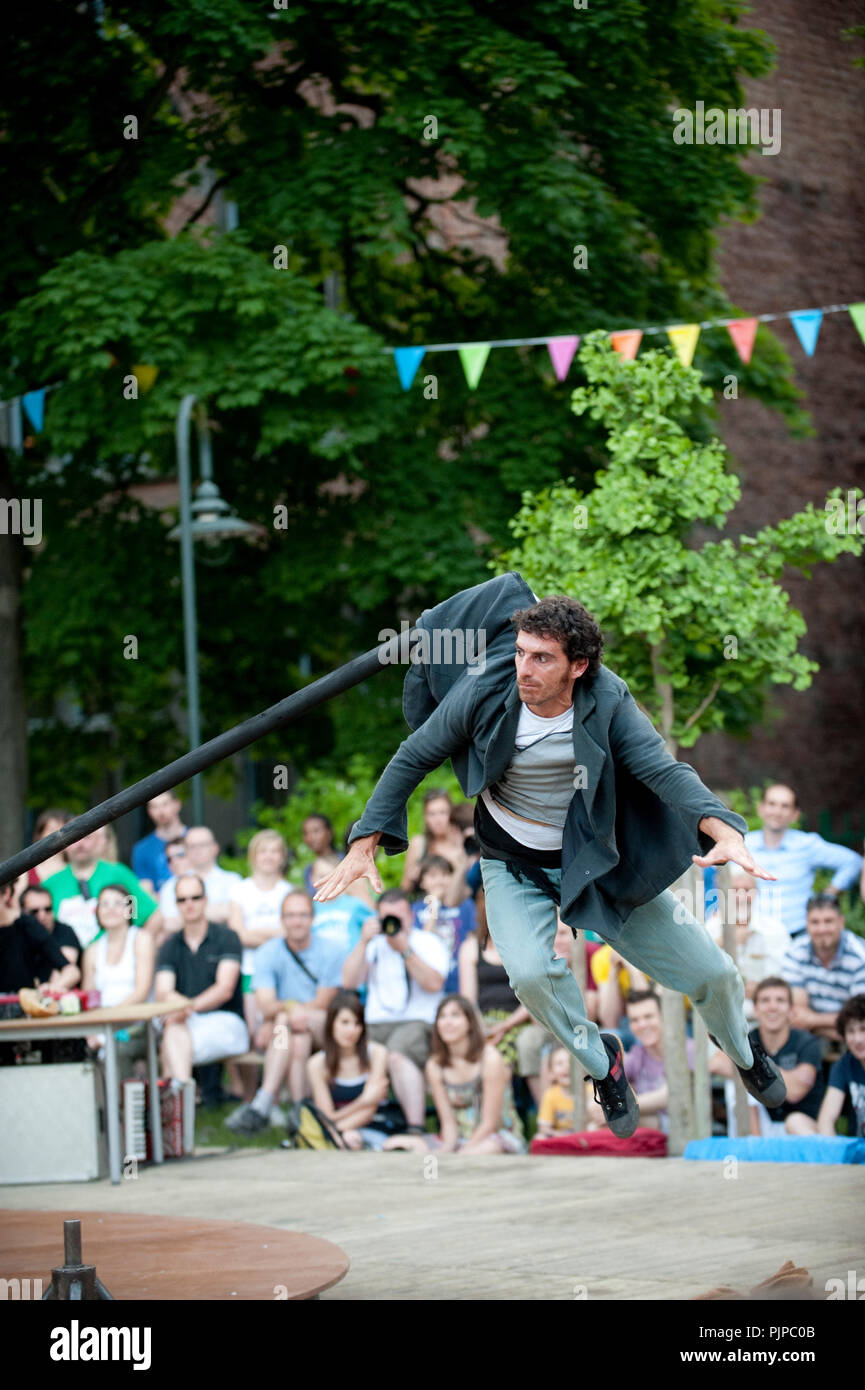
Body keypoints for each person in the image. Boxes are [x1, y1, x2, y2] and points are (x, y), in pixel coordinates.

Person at [315, 576, 786, 1137]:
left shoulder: (608, 700)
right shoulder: (488, 686)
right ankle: (601, 1063)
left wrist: (722, 827)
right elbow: (414, 755)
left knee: (713, 973)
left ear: (578, 666)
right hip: (511, 861)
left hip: (593, 862)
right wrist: (366, 837)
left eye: (541, 659)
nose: (524, 669)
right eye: (519, 653)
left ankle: (743, 1052)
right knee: (532, 974)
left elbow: (665, 772)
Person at [225, 891, 344, 1134]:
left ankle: (262, 1104)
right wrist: (284, 1013)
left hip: (323, 1026)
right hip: (292, 1032)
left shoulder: (331, 950)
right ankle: (300, 1112)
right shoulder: (268, 952)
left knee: (284, 1020)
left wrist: (281, 1014)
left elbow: (322, 1002)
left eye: (302, 915)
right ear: (282, 920)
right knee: (297, 1041)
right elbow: (265, 1004)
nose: (296, 921)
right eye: (290, 915)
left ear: (312, 919)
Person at [342, 889, 449, 1133]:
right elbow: (349, 982)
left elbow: (434, 984)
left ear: (410, 916)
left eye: (398, 918)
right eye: (386, 918)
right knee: (348, 1049)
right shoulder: (375, 945)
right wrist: (362, 942)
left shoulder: (427, 942)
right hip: (376, 1024)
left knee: (396, 1054)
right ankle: (357, 1125)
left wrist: (405, 950)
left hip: (419, 1023)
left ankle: (415, 1127)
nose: (392, 924)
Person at [383, 995, 526, 1153]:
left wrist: (461, 1155)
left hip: (495, 1137)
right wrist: (446, 1151)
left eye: (455, 1015)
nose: (447, 1022)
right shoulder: (435, 1065)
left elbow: (489, 1123)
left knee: (486, 1149)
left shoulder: (490, 1058)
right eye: (442, 1017)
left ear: (469, 1022)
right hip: (459, 1140)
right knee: (393, 1143)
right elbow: (448, 1123)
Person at [154, 874, 248, 1082]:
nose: (189, 904)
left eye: (195, 897)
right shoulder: (169, 945)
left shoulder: (227, 937)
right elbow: (163, 990)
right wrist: (184, 1010)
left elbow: (225, 989)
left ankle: (178, 1101)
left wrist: (187, 1007)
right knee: (173, 1033)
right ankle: (182, 1094)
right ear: (176, 904)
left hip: (226, 1020)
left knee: (172, 1038)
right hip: (184, 1021)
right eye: (182, 899)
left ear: (206, 900)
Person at [744, 784, 862, 939]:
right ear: (761, 809)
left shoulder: (806, 845)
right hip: (754, 935)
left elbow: (852, 862)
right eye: (772, 804)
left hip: (798, 933)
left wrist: (828, 894)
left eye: (785, 806)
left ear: (795, 814)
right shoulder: (744, 844)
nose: (777, 811)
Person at [711, 977, 825, 1137]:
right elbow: (716, 1063)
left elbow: (796, 1091)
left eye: (780, 1000)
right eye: (765, 1000)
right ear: (756, 1009)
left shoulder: (806, 1042)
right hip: (763, 1126)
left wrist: (755, 1068)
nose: (773, 1007)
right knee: (736, 1083)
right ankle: (753, 1150)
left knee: (745, 1071)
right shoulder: (749, 1038)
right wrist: (763, 1072)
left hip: (798, 1130)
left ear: (791, 1010)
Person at [42, 828, 162, 949]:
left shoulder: (118, 875)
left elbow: (150, 914)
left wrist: (134, 948)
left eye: (86, 838)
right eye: (73, 839)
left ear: (97, 841)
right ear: (65, 844)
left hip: (111, 961)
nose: (80, 844)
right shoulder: (50, 884)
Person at [306, 990, 392, 1150]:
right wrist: (363, 1101)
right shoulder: (316, 1064)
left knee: (350, 1139)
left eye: (357, 1023)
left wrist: (332, 1131)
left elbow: (369, 1110)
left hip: (374, 1127)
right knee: (349, 1138)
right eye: (344, 1022)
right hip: (340, 1132)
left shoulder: (377, 1053)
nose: (352, 1030)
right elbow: (327, 1115)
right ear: (331, 1024)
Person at [81, 884, 156, 1066]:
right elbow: (89, 999)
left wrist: (108, 1019)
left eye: (117, 903)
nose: (110, 909)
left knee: (116, 1051)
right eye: (104, 904)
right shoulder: (92, 950)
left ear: (130, 909)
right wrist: (92, 1032)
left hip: (137, 1025)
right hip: (101, 1025)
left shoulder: (141, 939)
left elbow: (141, 993)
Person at [704, 869, 788, 1021]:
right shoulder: (711, 928)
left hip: (765, 1020)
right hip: (720, 1018)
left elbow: (783, 978)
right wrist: (727, 941)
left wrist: (761, 990)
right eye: (735, 891)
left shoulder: (775, 930)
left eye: (747, 890)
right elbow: (700, 972)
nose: (742, 898)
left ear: (756, 893)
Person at [781, 894, 865, 1042]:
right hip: (814, 1037)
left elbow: (859, 1018)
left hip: (857, 1038)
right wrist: (836, 1026)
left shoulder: (860, 955)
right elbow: (798, 1016)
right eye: (815, 922)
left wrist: (812, 1021)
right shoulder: (795, 952)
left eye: (828, 921)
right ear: (806, 924)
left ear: (841, 922)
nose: (822, 929)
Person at [410, 854, 476, 992]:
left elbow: (472, 939)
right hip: (430, 978)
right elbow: (424, 944)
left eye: (446, 875)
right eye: (433, 876)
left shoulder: (465, 905)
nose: (440, 881)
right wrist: (434, 904)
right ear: (422, 882)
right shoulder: (416, 909)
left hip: (460, 978)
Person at [158, 826, 241, 933]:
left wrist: (189, 915)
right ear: (186, 851)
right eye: (192, 846)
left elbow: (238, 916)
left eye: (202, 845)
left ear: (215, 848)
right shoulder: (171, 886)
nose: (197, 850)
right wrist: (217, 911)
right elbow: (169, 924)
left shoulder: (233, 881)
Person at [0, 880, 71, 993]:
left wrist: (52, 988)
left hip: (21, 1006)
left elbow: (70, 970)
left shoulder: (26, 924)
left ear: (6, 893)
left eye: (47, 909)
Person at [400, 789, 469, 905]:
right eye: (432, 814)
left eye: (443, 813)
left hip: (457, 908)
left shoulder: (463, 843)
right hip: (424, 907)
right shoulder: (419, 844)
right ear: (425, 818)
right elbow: (405, 888)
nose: (438, 820)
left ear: (451, 814)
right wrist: (415, 875)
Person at [813, 995, 865, 1137]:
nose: (858, 1039)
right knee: (796, 1122)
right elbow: (826, 1118)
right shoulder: (844, 1064)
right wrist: (833, 1155)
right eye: (851, 1031)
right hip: (857, 1149)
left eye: (863, 1029)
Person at [310, 856, 375, 959]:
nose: (326, 880)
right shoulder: (309, 909)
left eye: (331, 875)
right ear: (312, 878)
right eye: (321, 876)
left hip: (351, 964)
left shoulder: (354, 904)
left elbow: (375, 922)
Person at [17, 885, 81, 988]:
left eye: (47, 909)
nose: (42, 915)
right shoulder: (16, 932)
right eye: (34, 911)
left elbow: (63, 969)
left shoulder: (64, 930)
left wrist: (48, 991)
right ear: (22, 912)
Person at [133, 790, 188, 894]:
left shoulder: (195, 839)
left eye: (165, 804)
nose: (160, 811)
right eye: (155, 807)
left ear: (177, 805)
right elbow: (146, 892)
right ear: (149, 811)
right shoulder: (141, 850)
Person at [24, 808, 73, 888]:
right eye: (52, 830)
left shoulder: (76, 869)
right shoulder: (26, 873)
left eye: (62, 831)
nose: (58, 836)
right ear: (40, 835)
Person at [537, 1046, 576, 1136]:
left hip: (587, 1138)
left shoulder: (591, 1092)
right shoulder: (550, 1095)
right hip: (560, 1138)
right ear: (551, 1073)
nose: (567, 1066)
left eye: (571, 1062)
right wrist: (561, 1135)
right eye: (560, 1063)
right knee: (540, 1137)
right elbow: (544, 1128)